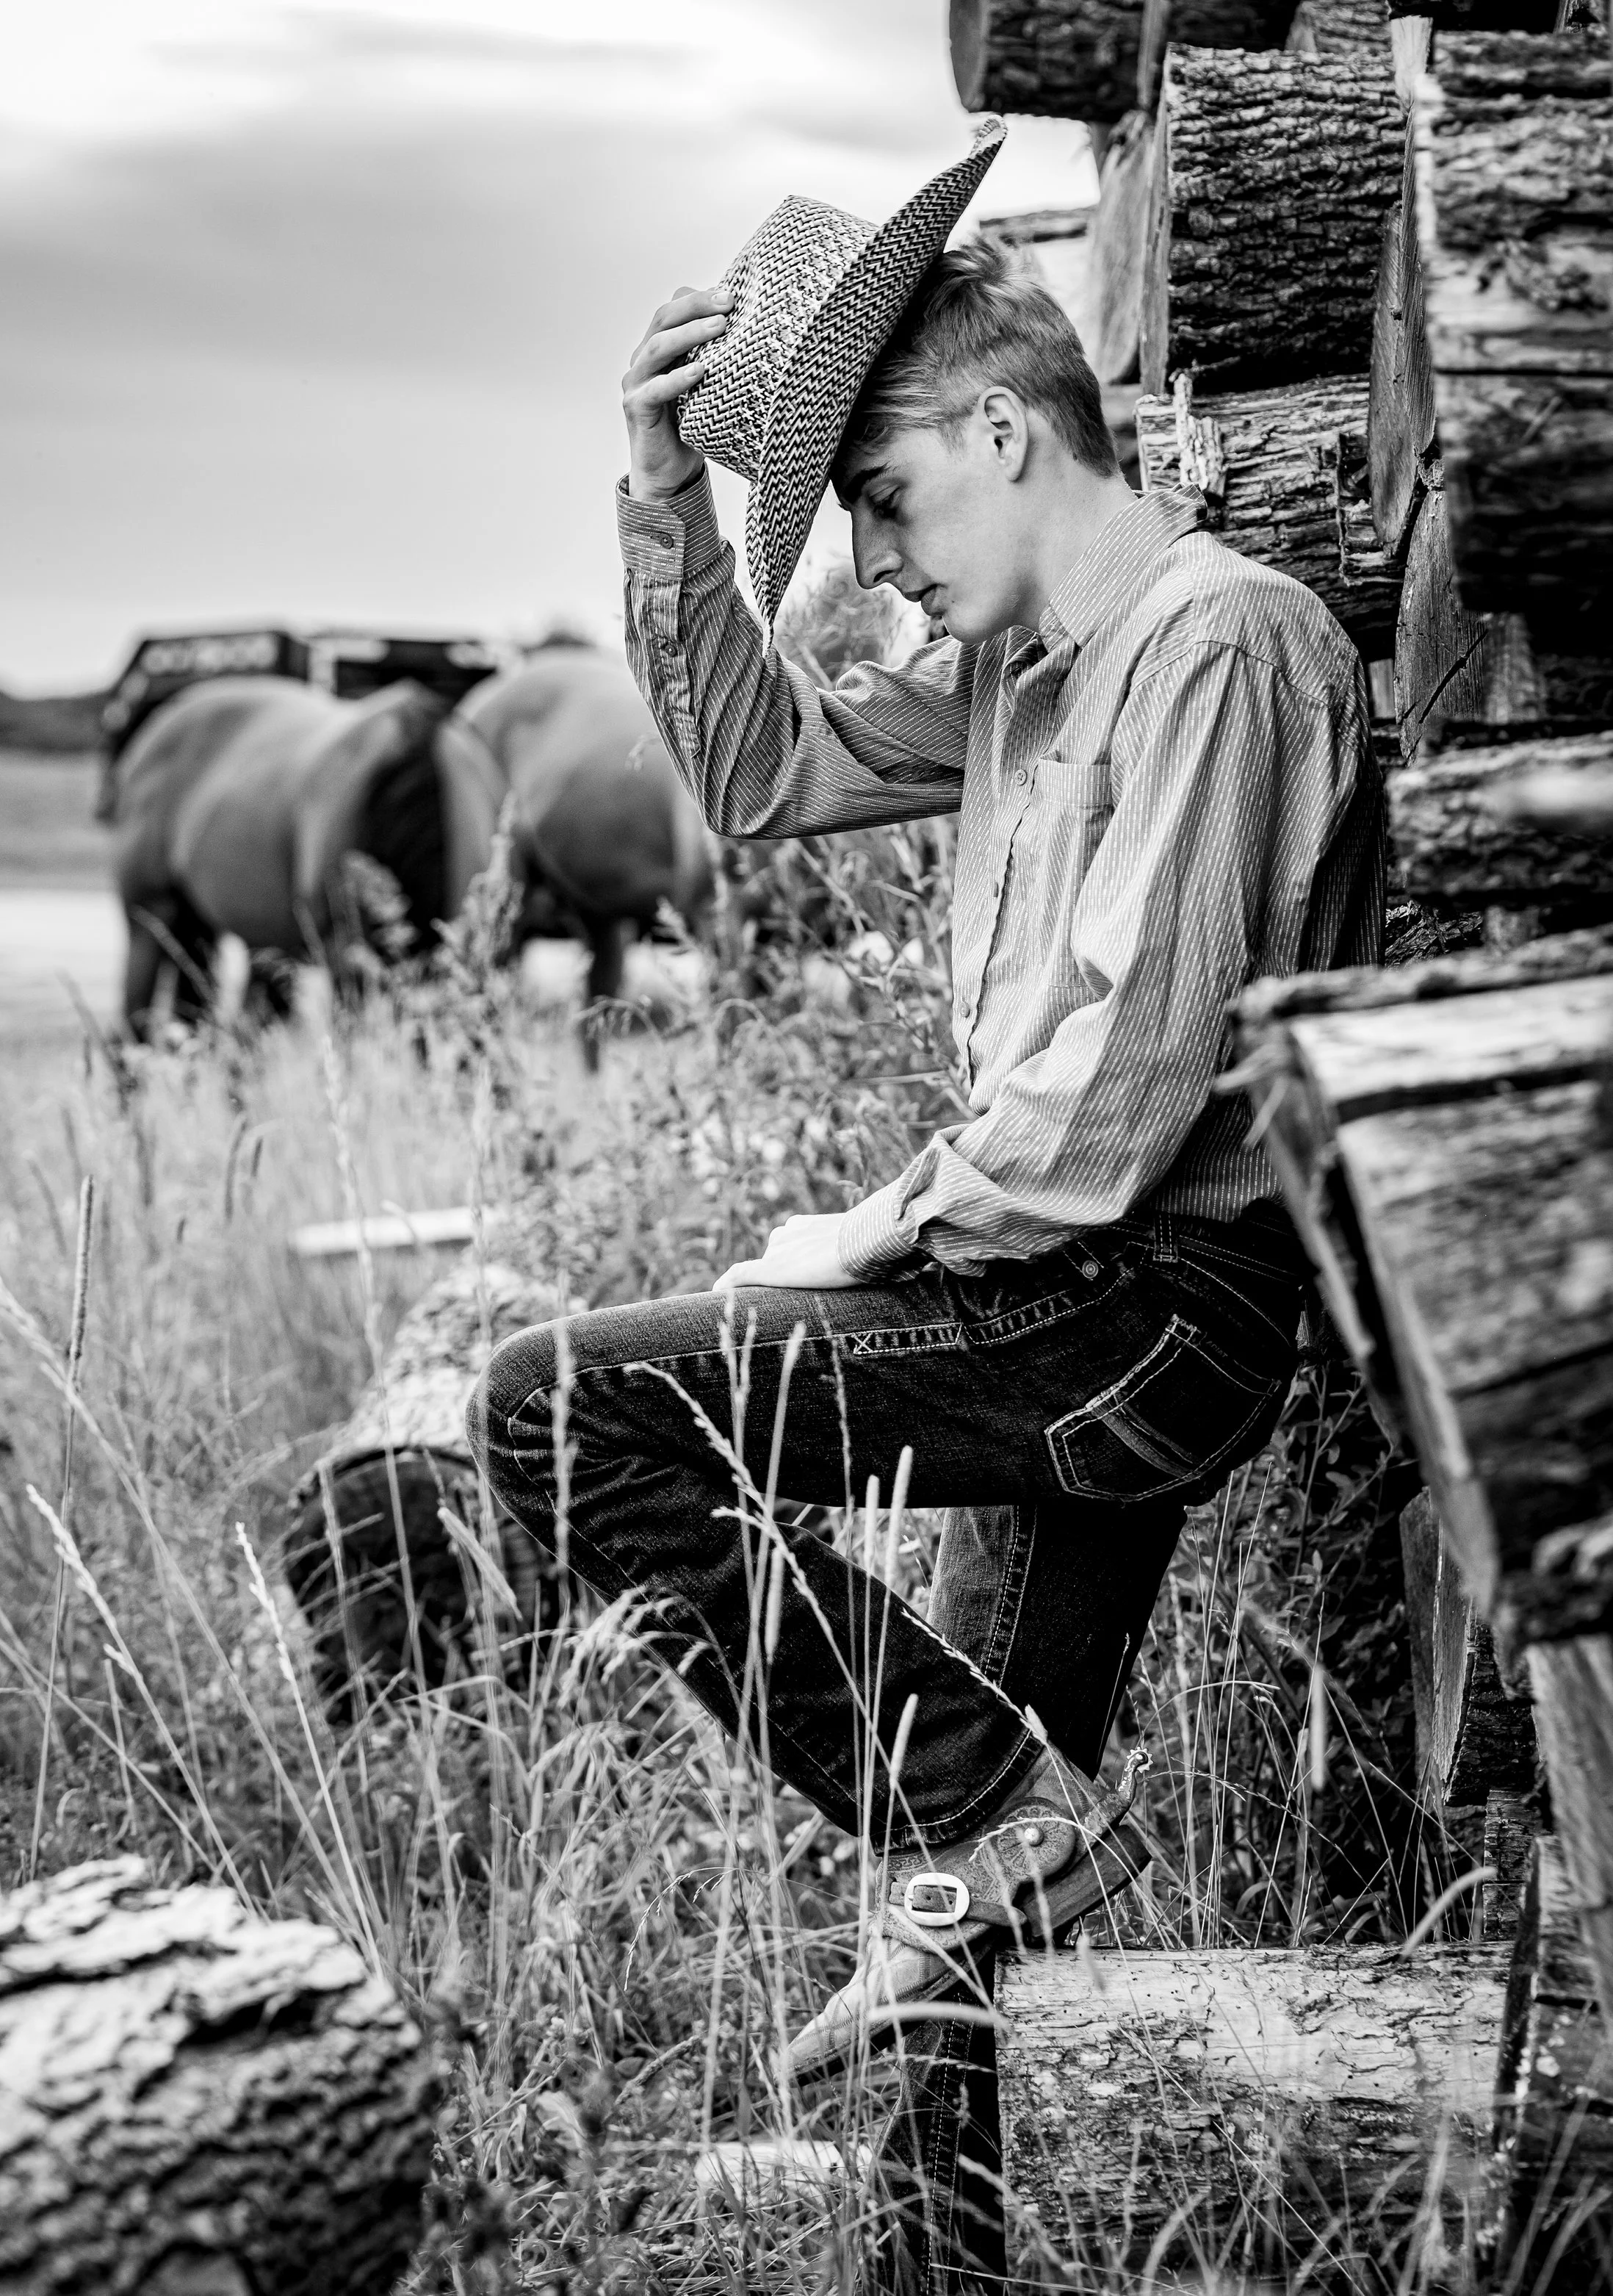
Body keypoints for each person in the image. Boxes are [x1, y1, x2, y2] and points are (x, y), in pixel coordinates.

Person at [470, 135, 1381, 2288]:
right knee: (959, 1828)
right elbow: (755, 765)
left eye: (880, 499)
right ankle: (937, 2246)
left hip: (1138, 1302)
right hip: (1066, 1292)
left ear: (995, 430)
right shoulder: (1005, 683)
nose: (874, 562)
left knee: (557, 1413)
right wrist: (660, 493)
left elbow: (1123, 1084)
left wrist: (868, 1227)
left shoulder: (1219, 646)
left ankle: (1001, 1827)